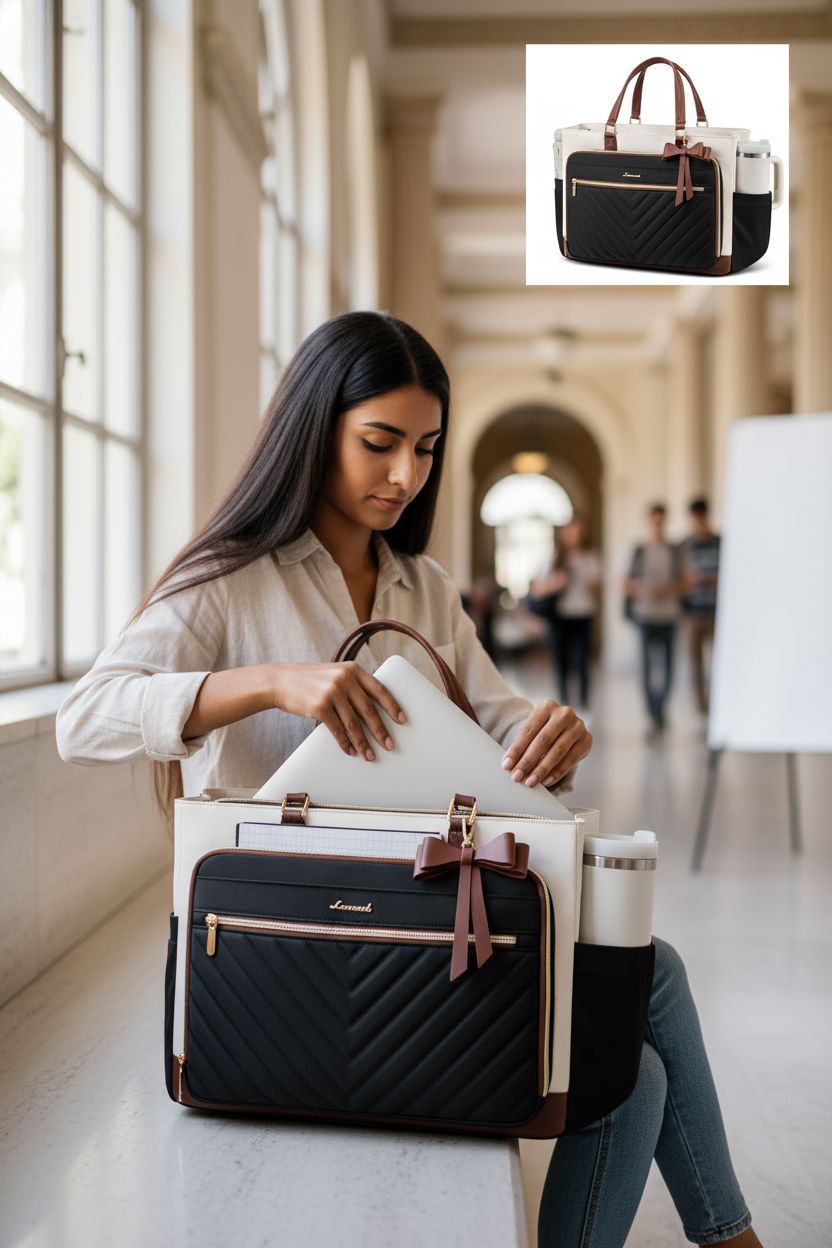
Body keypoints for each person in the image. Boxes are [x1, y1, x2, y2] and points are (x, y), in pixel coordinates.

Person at [56, 312, 762, 1248]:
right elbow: (84, 719)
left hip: (413, 931)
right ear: (316, 431)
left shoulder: (422, 587)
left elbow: (500, 713)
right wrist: (268, 682)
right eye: (379, 443)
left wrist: (549, 731)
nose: (405, 475)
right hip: (286, 958)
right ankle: (735, 1240)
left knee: (639, 1057)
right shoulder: (228, 582)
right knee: (648, 994)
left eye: (425, 450)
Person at [624, 503, 685, 737]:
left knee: (668, 667)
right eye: (654, 520)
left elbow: (687, 581)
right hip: (644, 615)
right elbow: (624, 582)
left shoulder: (675, 551)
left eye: (661, 520)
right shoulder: (638, 550)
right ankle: (652, 713)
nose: (657, 525)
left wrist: (668, 589)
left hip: (669, 615)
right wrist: (644, 589)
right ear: (649, 521)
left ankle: (661, 708)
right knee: (646, 667)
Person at [549, 517, 601, 710]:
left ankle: (584, 699)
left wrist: (585, 583)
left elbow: (597, 588)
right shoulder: (556, 558)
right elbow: (541, 586)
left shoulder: (590, 558)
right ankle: (564, 698)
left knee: (582, 658)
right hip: (561, 614)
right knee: (561, 659)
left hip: (583, 613)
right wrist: (558, 582)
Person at [681, 497, 721, 715]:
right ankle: (701, 706)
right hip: (694, 612)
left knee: (718, 660)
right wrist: (691, 581)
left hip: (716, 611)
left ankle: (718, 702)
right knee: (695, 661)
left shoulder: (720, 543)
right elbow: (681, 577)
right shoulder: (685, 545)